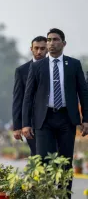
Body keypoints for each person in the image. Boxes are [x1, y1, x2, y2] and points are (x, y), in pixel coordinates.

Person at [22, 28, 88, 198]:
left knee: (65, 162)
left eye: (55, 39)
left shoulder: (74, 64)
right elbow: (28, 96)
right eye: (49, 40)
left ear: (63, 43)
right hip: (44, 120)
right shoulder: (37, 67)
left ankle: (64, 196)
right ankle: (46, 195)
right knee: (44, 161)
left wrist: (86, 119)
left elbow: (83, 92)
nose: (51, 43)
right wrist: (25, 123)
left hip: (67, 118)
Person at [12, 36, 48, 156]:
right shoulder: (22, 70)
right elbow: (18, 99)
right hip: (31, 122)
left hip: (52, 119)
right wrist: (17, 126)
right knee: (37, 154)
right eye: (36, 48)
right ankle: (37, 175)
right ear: (31, 49)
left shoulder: (55, 68)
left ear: (47, 49)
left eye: (42, 48)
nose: (39, 52)